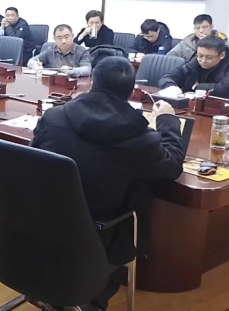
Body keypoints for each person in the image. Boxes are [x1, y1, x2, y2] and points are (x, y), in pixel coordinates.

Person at [31, 56, 184, 310]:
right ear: (131, 92)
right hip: (102, 233)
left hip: (41, 221)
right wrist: (167, 121)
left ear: (92, 83)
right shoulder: (139, 136)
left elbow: (32, 158)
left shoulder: (54, 117)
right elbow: (172, 167)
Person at [159, 35, 229, 98]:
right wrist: (171, 87)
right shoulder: (194, 62)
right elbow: (167, 78)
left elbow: (224, 89)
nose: (203, 61)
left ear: (222, 55)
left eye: (209, 57)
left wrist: (196, 87)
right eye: (200, 56)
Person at [27, 24, 92, 77]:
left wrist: (72, 71)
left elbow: (87, 70)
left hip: (75, 84)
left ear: (72, 36)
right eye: (59, 38)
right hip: (54, 83)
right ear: (54, 39)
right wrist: (35, 65)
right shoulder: (51, 49)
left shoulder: (81, 51)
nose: (63, 41)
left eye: (66, 37)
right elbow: (31, 60)